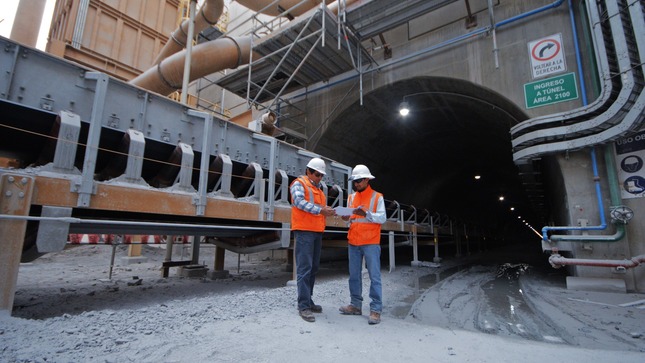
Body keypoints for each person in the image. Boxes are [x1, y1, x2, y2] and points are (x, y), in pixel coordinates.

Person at [339, 164, 386, 325]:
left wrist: (367, 213)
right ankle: (355, 305)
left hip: (371, 242)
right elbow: (351, 218)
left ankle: (375, 309)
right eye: (355, 181)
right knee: (354, 275)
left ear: (366, 179)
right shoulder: (351, 198)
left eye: (359, 181)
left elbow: (382, 218)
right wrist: (346, 217)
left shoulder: (377, 197)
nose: (357, 184)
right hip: (354, 241)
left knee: (374, 276)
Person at [290, 157, 336, 322]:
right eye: (317, 174)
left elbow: (320, 210)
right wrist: (320, 210)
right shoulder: (299, 184)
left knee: (313, 268)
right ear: (308, 171)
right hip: (304, 232)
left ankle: (308, 300)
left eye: (322, 175)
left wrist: (328, 211)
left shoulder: (319, 189)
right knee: (304, 269)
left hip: (316, 232)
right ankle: (303, 306)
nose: (319, 178)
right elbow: (298, 202)